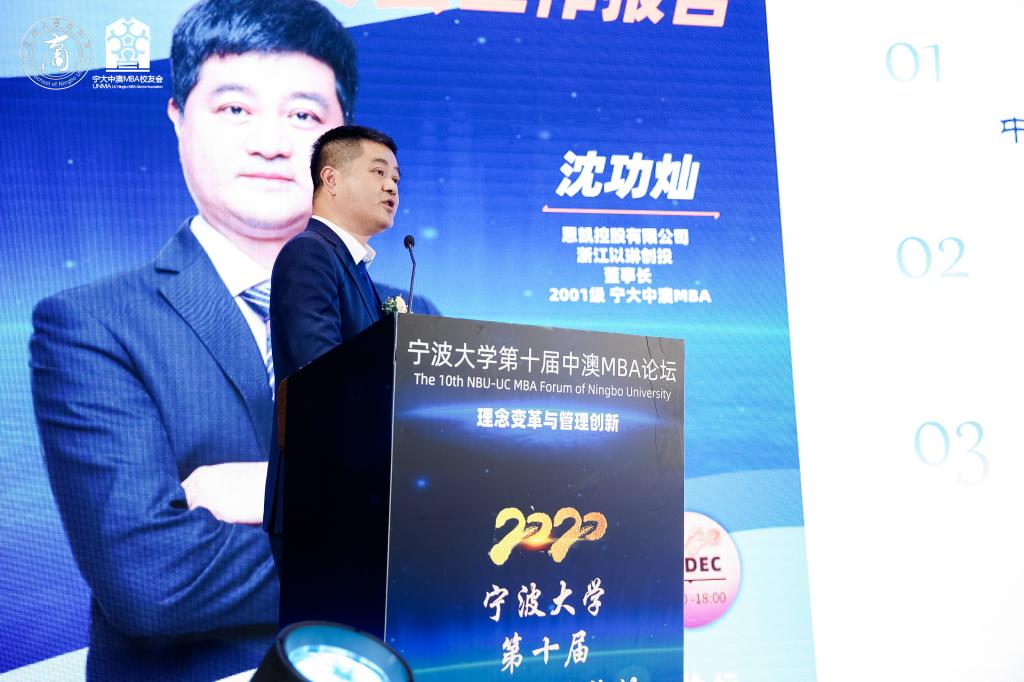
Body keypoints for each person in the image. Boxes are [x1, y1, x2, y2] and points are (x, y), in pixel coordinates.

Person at [29, 0, 370, 679]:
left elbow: (460, 535)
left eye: (304, 117)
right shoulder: (91, 326)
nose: (271, 142)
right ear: (178, 118)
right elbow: (152, 582)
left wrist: (270, 490)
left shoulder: (403, 320)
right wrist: (367, 532)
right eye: (235, 108)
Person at [265, 126, 402, 572]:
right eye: (378, 172)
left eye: (396, 178)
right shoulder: (309, 254)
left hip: (356, 496)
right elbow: (321, 374)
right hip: (321, 498)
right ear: (331, 179)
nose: (391, 186)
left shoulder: (353, 268)